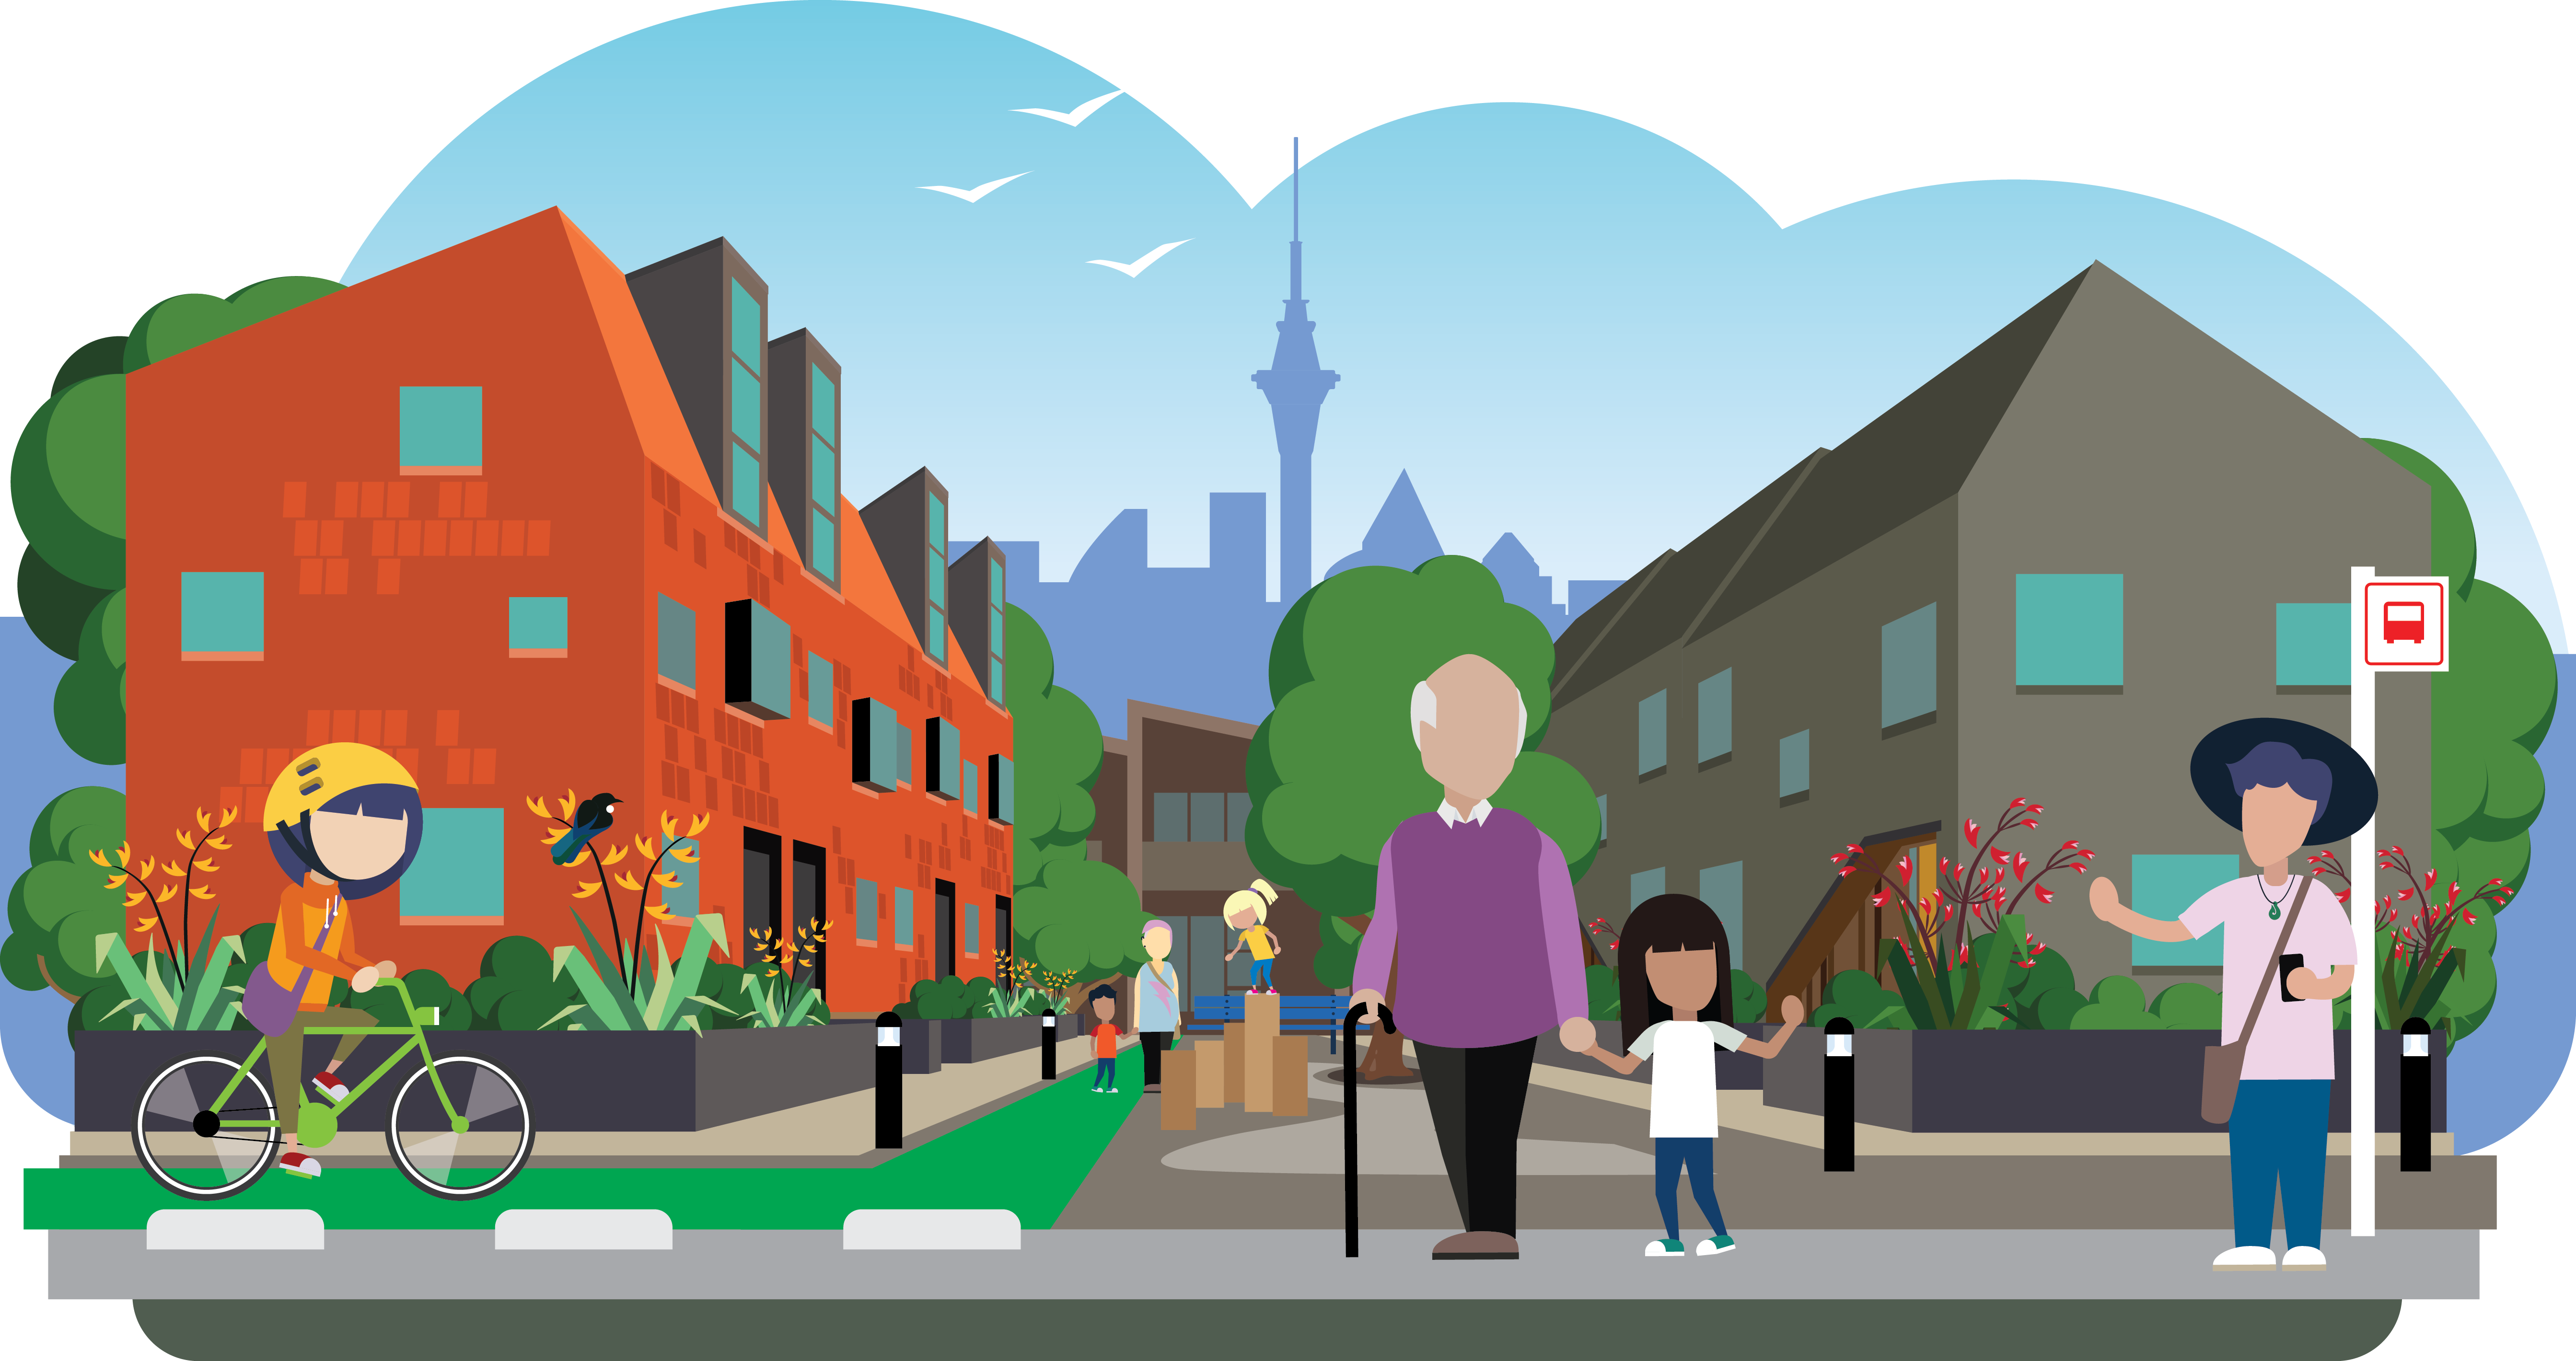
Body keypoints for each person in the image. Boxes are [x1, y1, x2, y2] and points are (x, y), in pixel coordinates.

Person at [2088, 719, 2375, 1272]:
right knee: (2248, 1153)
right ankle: (2250, 1242)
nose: (2262, 827)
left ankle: (2305, 1243)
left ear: (2307, 824)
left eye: (2279, 815)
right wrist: (2116, 914)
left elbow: (2346, 971)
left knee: (2301, 1154)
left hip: (2307, 1060)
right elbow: (2177, 929)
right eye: (2253, 812)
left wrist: (2313, 986)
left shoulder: (2317, 901)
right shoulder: (2234, 895)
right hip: (2244, 1058)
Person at [1350, 653, 1590, 1261]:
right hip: (1430, 1011)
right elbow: (1387, 923)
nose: (1473, 751)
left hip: (1514, 1010)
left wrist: (1573, 1010)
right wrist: (1368, 986)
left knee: (1493, 1124)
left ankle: (1493, 1227)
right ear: (1426, 745)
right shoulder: (1405, 843)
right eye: (1454, 735)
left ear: (1511, 751)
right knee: (1452, 1126)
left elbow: (1562, 931)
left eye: (1490, 738)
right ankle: (1480, 1221)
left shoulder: (1535, 844)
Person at [1583, 894, 1804, 1257]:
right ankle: (1673, 1240)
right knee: (1663, 1187)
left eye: (1702, 968)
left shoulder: (1714, 1029)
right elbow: (1626, 1067)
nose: (1687, 981)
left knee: (1702, 1186)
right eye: (1668, 971)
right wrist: (1593, 1051)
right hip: (1668, 1122)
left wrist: (1792, 1024)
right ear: (1647, 978)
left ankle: (1722, 1236)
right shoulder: (1656, 1032)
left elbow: (1768, 1052)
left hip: (1699, 1122)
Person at [247, 743, 427, 1178]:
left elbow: (344, 952)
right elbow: (298, 952)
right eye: (348, 828)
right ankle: (290, 1152)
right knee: (286, 1078)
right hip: (283, 1001)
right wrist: (352, 972)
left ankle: (327, 1076)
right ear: (303, 832)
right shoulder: (295, 897)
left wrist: (373, 967)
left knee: (364, 1021)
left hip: (316, 1005)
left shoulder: (338, 904)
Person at [1137, 919, 1181, 1092]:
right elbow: (1138, 997)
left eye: (1164, 941)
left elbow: (1176, 993)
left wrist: (1179, 1018)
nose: (1159, 945)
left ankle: (1163, 1081)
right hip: (1147, 1023)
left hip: (1167, 1021)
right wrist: (1135, 1022)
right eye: (1154, 941)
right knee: (1150, 1054)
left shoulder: (1170, 969)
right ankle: (1151, 1083)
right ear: (1144, 943)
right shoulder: (1144, 970)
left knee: (1165, 1053)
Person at [1223, 880, 1283, 994]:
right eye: (1237, 919)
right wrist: (1232, 954)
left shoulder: (1261, 928)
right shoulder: (1244, 934)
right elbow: (1239, 947)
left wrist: (1277, 947)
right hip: (1259, 957)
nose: (1243, 920)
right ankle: (1255, 990)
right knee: (1253, 971)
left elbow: (1274, 937)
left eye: (1247, 913)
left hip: (1268, 955)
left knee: (1265, 974)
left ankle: (1272, 990)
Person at [1088, 984, 1121, 1093]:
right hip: (1102, 1055)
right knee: (1101, 1072)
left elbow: (1123, 1037)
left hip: (1112, 1055)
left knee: (1112, 1072)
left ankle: (1110, 1088)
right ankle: (1095, 1087)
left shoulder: (1114, 1027)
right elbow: (1092, 1040)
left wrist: (1132, 1033)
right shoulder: (1097, 1028)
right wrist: (1093, 1051)